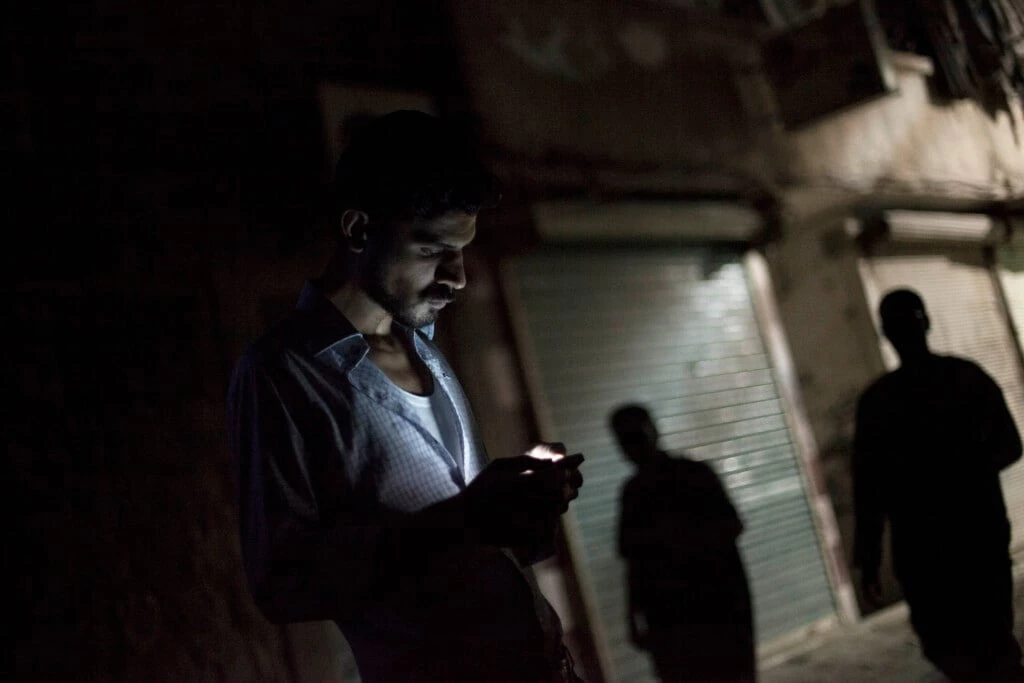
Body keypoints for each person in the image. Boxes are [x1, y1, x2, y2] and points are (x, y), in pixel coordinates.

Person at [227, 110, 585, 682]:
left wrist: (523, 504)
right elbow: (283, 584)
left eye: (463, 250)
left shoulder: (426, 347)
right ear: (359, 230)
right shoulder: (281, 375)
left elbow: (475, 539)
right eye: (432, 250)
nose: (458, 277)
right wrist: (466, 519)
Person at [853, 288, 1024, 682]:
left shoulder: (879, 402)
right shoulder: (966, 378)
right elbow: (1010, 446)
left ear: (885, 334)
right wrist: (969, 473)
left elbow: (869, 489)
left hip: (928, 553)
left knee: (957, 650)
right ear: (927, 323)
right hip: (977, 540)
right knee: (992, 647)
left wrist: (869, 560)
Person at [611, 404, 756, 683]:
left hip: (712, 612)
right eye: (625, 439)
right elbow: (634, 564)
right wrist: (632, 618)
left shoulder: (693, 476)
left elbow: (732, 526)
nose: (631, 447)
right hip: (672, 620)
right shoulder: (635, 493)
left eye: (635, 436)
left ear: (654, 431)